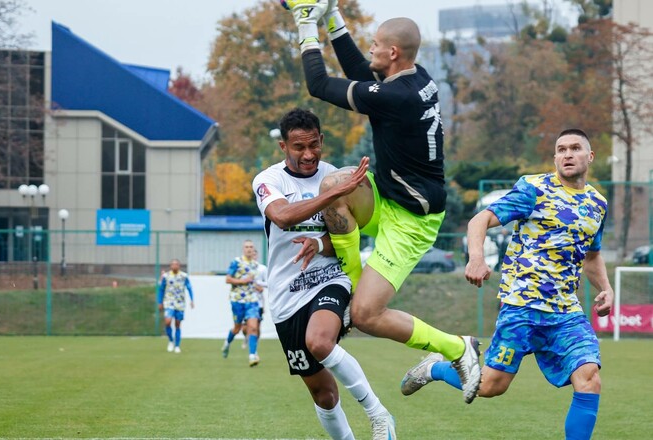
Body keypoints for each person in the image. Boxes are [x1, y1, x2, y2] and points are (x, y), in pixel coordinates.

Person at [283, 0, 481, 403]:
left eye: (375, 44)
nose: (370, 48)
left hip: (412, 218)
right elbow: (361, 74)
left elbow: (318, 85)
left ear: (392, 53)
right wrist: (332, 15)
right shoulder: (413, 77)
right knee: (334, 186)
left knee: (367, 316)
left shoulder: (399, 98)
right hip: (390, 194)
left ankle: (458, 348)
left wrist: (306, 25)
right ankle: (349, 286)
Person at [400, 129, 614, 440]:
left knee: (590, 377)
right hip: (521, 306)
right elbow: (479, 220)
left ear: (590, 156)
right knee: (490, 387)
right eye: (561, 149)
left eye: (575, 148)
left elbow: (592, 256)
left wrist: (605, 289)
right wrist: (476, 258)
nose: (567, 154)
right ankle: (435, 368)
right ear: (555, 157)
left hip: (566, 312)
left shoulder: (597, 203)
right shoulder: (534, 189)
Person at [252, 108, 395, 439]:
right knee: (324, 395)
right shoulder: (269, 180)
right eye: (299, 147)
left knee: (318, 341)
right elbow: (283, 216)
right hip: (286, 294)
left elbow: (351, 234)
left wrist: (319, 243)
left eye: (314, 145)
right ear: (283, 147)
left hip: (331, 277)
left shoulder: (336, 175)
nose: (308, 155)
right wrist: (333, 193)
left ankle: (379, 415)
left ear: (322, 141)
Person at [222, 240, 261, 367]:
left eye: (251, 247)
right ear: (243, 249)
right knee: (237, 328)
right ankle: (227, 344)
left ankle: (252, 355)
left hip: (252, 300)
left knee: (253, 328)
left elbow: (253, 281)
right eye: (247, 247)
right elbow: (227, 279)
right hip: (237, 300)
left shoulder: (256, 265)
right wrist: (242, 281)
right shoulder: (236, 262)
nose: (249, 249)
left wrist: (257, 286)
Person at [157, 259, 194, 354]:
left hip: (180, 303)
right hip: (169, 302)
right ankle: (170, 341)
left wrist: (192, 300)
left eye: (176, 264)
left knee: (178, 324)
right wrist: (160, 302)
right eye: (173, 264)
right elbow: (161, 289)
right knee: (168, 322)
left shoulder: (184, 276)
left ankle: (177, 346)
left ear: (179, 266)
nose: (174, 266)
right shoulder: (166, 276)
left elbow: (189, 287)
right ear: (170, 266)